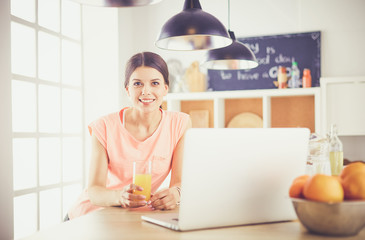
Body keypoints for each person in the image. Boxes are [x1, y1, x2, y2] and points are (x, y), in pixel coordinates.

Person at [66, 52, 192, 220]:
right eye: (137, 84)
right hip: (90, 216)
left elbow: (179, 181)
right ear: (127, 89)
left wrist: (176, 194)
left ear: (165, 89)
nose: (146, 91)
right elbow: (94, 191)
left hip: (130, 217)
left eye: (155, 83)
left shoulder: (180, 124)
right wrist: (120, 197)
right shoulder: (103, 126)